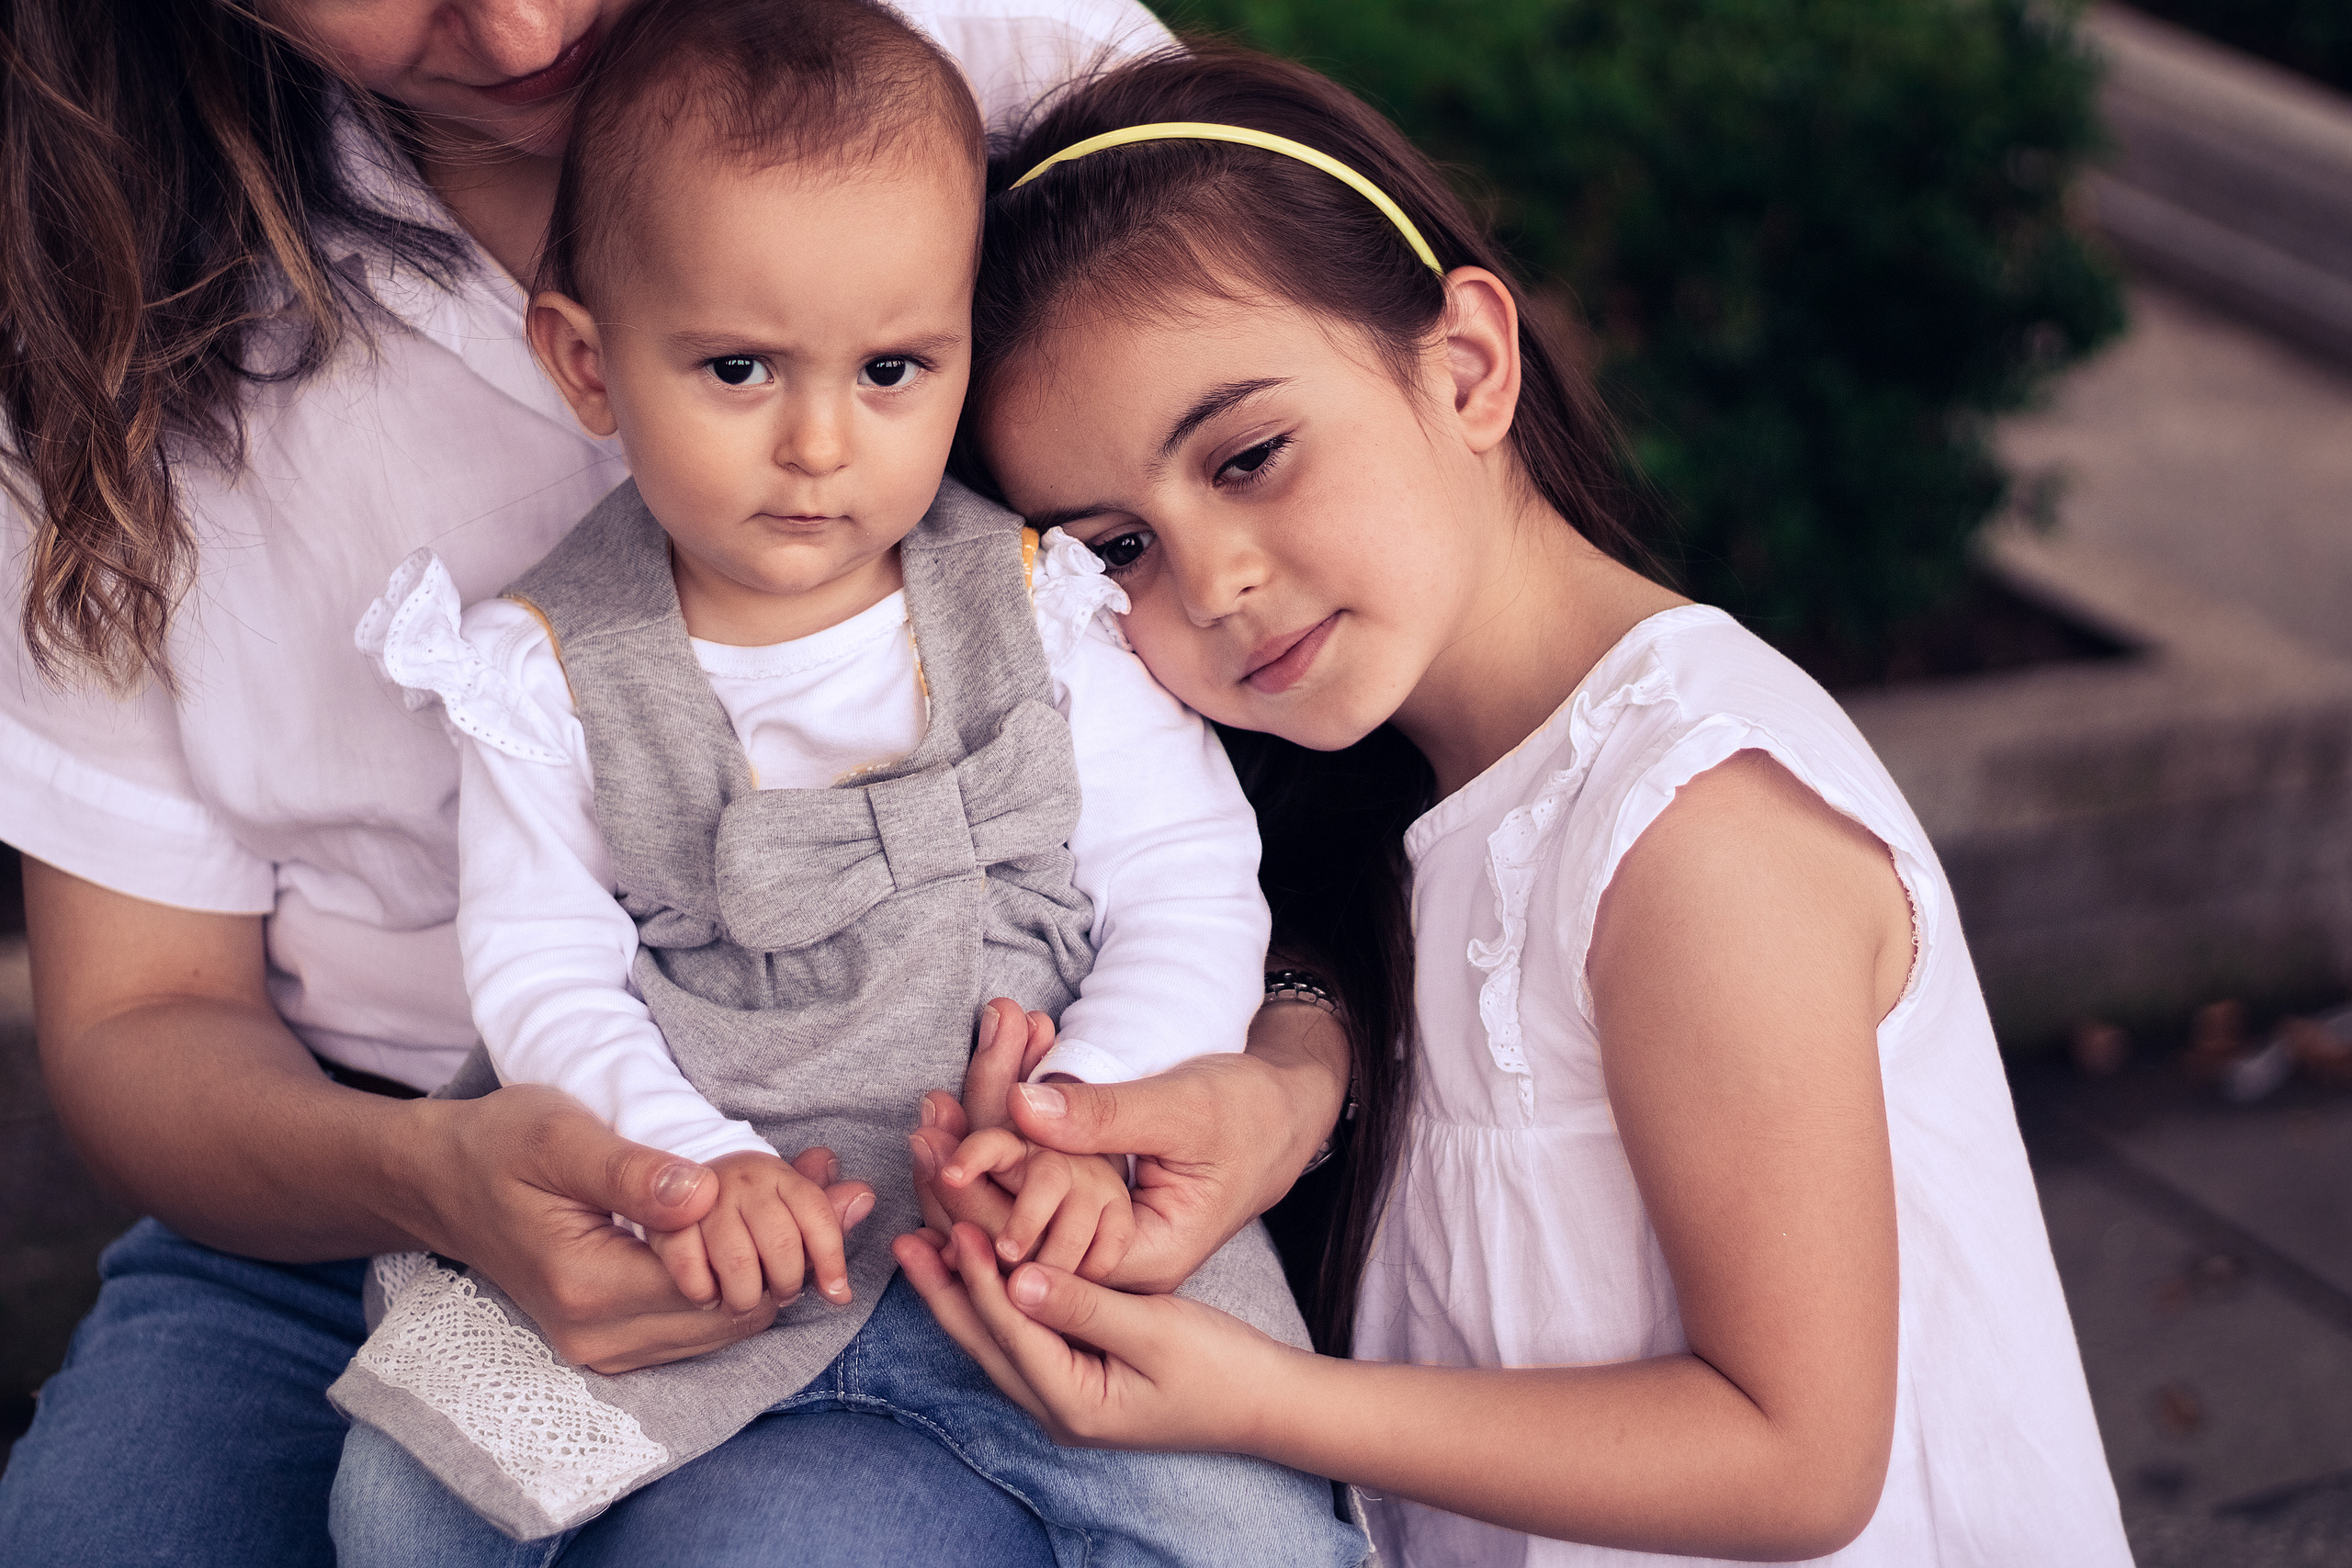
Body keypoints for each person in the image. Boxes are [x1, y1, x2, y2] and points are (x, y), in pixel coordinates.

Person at [0, 4, 1356, 1565]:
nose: (511, 27)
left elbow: (1228, 829)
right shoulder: (539, 670)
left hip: (1028, 1181)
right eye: (734, 367)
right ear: (588, 361)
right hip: (438, 1168)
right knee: (355, 1508)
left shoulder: (1036, 584)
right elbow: (190, 1009)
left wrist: (1136, 1093)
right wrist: (596, 1170)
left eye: (898, 366)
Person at [897, 43, 2138, 1566]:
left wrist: (1263, 1403)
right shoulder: (1404, 782)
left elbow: (1801, 1459)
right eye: (1115, 550)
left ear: (1468, 365)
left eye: (1251, 455)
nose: (1210, 579)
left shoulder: (1691, 835)